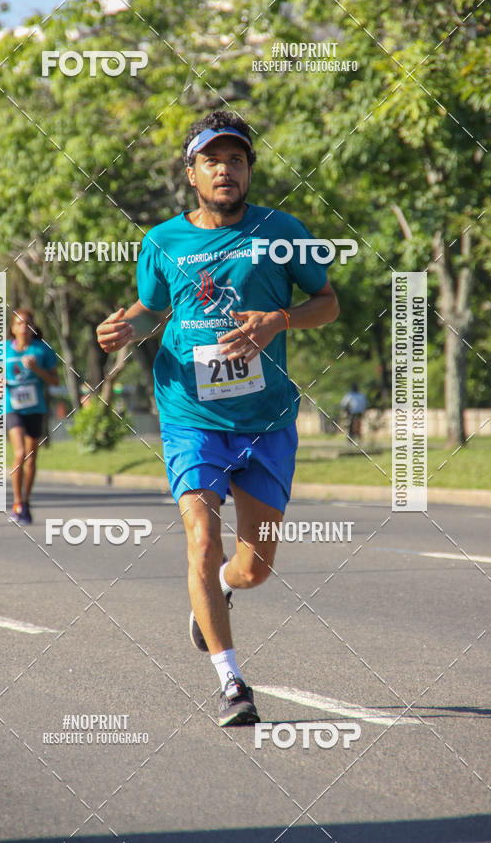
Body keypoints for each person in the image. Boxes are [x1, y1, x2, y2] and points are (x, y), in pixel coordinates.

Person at [96, 110, 339, 726]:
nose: (225, 170)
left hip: (266, 419)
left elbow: (328, 303)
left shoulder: (283, 232)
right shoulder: (162, 243)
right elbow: (152, 311)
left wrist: (278, 320)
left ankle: (224, 593)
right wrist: (125, 326)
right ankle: (232, 682)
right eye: (213, 161)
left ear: (250, 170)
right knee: (202, 539)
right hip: (189, 414)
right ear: (192, 173)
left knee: (254, 569)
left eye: (236, 160)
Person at [0, 308, 59, 525]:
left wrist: (37, 369)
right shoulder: (3, 349)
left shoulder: (42, 350)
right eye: (19, 324)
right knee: (20, 453)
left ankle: (27, 502)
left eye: (27, 324)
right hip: (12, 408)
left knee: (31, 459)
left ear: (32, 327)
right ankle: (17, 502)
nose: (23, 328)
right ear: (12, 328)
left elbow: (55, 381)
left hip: (35, 408)